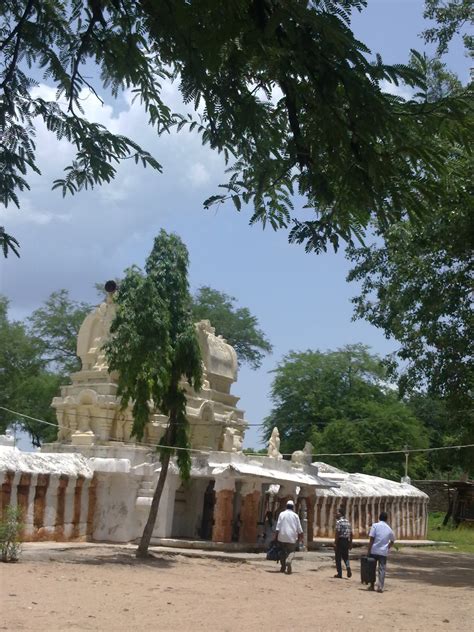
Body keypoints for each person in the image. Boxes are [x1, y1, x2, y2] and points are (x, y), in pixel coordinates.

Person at [367, 511, 395, 593]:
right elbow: (393, 541)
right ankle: (380, 586)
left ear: (379, 518)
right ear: (387, 519)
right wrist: (387, 547)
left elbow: (371, 539)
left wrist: (368, 550)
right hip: (383, 552)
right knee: (382, 569)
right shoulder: (389, 528)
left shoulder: (375, 526)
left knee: (372, 568)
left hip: (374, 550)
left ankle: (372, 585)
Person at [274, 500, 303, 574]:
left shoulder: (282, 514)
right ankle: (289, 561)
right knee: (291, 551)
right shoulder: (295, 516)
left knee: (282, 551)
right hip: (292, 537)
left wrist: (275, 536)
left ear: (286, 506)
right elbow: (299, 529)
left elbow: (278, 527)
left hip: (282, 536)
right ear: (293, 507)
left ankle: (283, 567)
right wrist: (300, 538)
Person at [334, 507, 352, 579]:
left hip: (340, 541)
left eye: (337, 513)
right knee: (346, 557)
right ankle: (348, 567)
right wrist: (350, 543)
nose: (336, 514)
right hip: (346, 541)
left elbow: (337, 532)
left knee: (338, 557)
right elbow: (351, 533)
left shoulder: (339, 522)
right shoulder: (348, 522)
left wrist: (335, 543)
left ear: (340, 513)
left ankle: (339, 573)